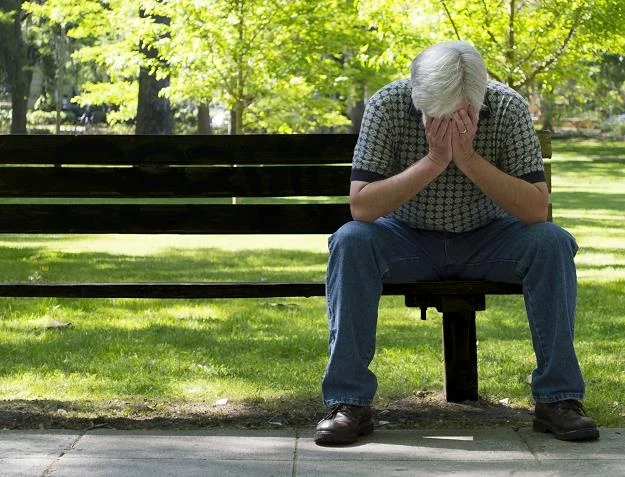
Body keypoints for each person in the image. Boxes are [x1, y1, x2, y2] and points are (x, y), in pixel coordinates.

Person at [314, 40, 599, 446]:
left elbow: (536, 209)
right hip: (406, 238)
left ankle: (559, 399)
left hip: (489, 239)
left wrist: (467, 159)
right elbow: (362, 206)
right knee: (351, 241)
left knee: (552, 242)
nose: (449, 121)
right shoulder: (387, 105)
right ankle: (348, 403)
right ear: (418, 96)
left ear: (478, 100)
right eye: (436, 114)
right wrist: (433, 160)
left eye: (462, 113)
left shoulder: (507, 107)